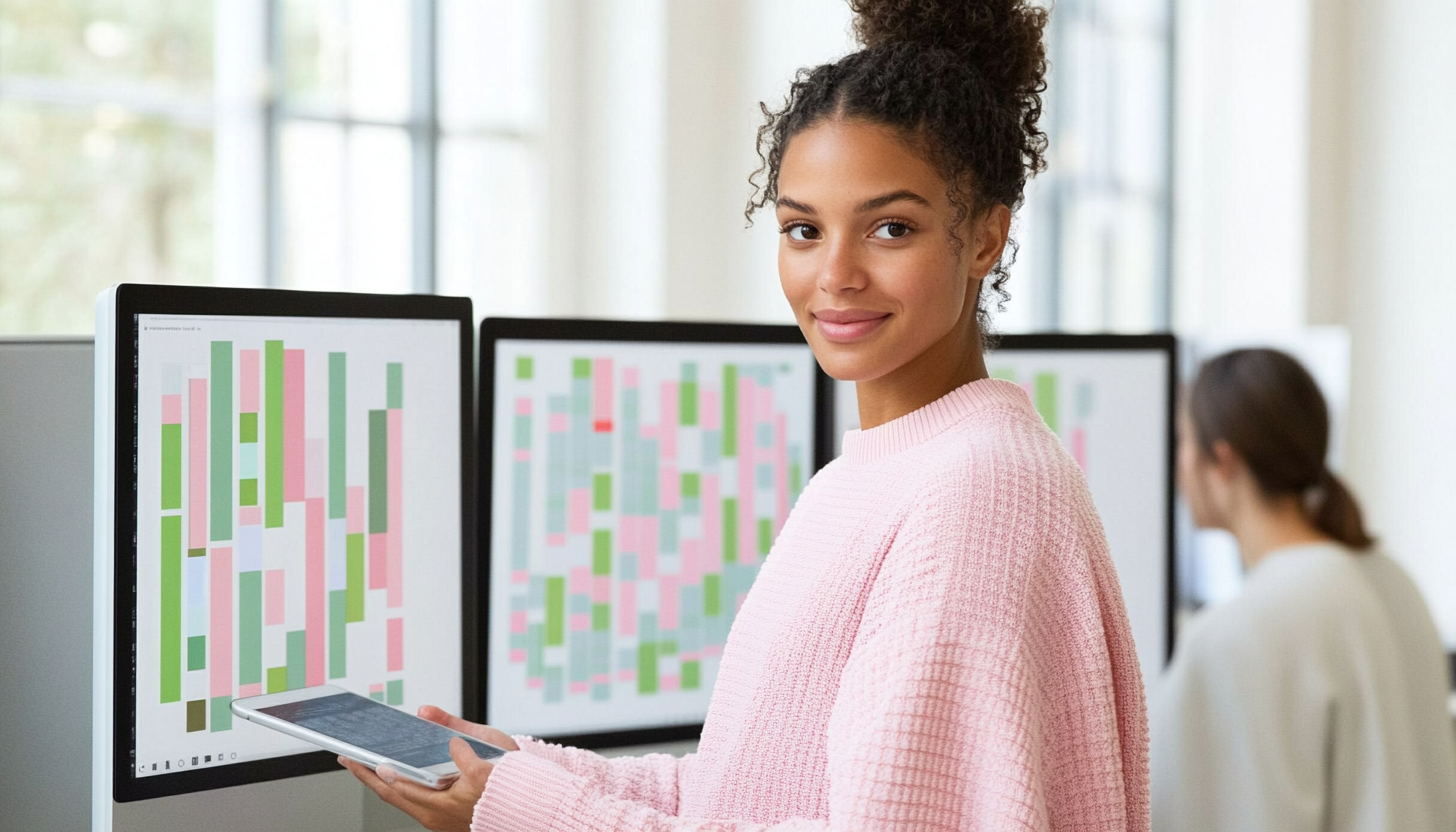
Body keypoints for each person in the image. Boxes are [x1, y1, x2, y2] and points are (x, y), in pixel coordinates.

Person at [343, 1, 1150, 828]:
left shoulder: (978, 491)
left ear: (984, 238)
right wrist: (516, 769)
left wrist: (524, 815)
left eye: (890, 228)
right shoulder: (875, 473)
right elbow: (742, 790)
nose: (834, 274)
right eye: (804, 229)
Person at [1152, 348, 1456, 832]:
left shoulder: (1235, 635)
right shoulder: (1392, 584)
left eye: (1184, 442)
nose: (1179, 465)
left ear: (1224, 461)